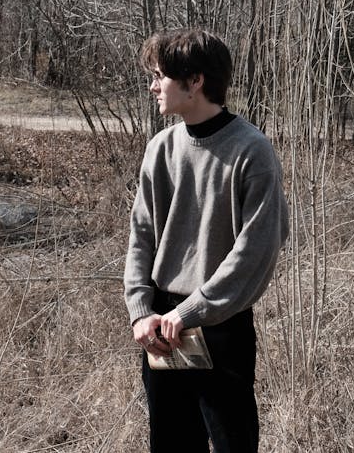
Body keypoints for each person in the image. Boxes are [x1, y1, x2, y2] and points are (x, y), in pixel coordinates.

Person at [124, 28, 289, 453]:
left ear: (194, 81)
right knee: (172, 444)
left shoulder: (252, 152)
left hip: (221, 325)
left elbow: (255, 252)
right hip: (160, 326)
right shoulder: (160, 149)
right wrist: (141, 311)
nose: (153, 84)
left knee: (233, 443)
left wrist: (194, 310)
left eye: (160, 75)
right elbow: (141, 236)